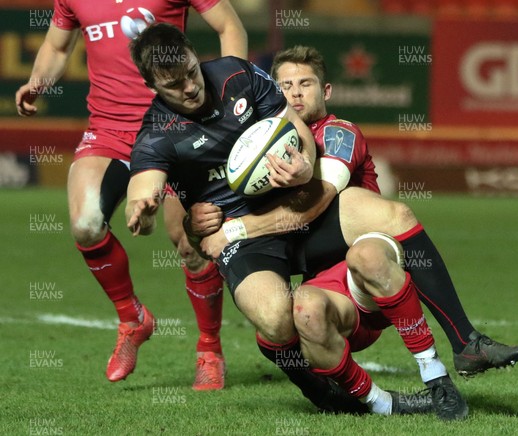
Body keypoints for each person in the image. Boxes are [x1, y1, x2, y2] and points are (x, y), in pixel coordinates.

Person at [125, 23, 438, 415]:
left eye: (191, 71)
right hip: (242, 235)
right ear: (153, 86)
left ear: (193, 53)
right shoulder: (156, 134)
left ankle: (459, 349)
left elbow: (296, 127)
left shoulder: (236, 74)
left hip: (295, 202)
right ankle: (341, 396)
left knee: (389, 213)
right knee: (276, 320)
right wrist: (142, 206)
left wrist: (305, 166)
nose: (189, 87)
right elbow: (143, 186)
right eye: (174, 85)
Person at [189, 45, 518, 377]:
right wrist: (201, 220)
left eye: (305, 84)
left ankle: (461, 345)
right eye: (285, 86)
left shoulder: (338, 133)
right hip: (323, 284)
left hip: (366, 276)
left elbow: (317, 203)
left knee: (374, 239)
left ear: (326, 91)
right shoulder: (265, 143)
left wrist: (233, 231)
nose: (295, 95)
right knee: (277, 314)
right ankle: (302, 373)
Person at [15, 0, 247, 390]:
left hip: (176, 127)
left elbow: (229, 26)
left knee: (191, 244)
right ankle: (132, 317)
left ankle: (210, 350)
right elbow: (56, 48)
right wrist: (37, 83)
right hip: (109, 130)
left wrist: (231, 90)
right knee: (86, 225)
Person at [294, 231, 468, 420]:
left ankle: (437, 376)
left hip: (371, 278)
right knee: (301, 311)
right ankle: (379, 402)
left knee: (368, 255)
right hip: (326, 303)